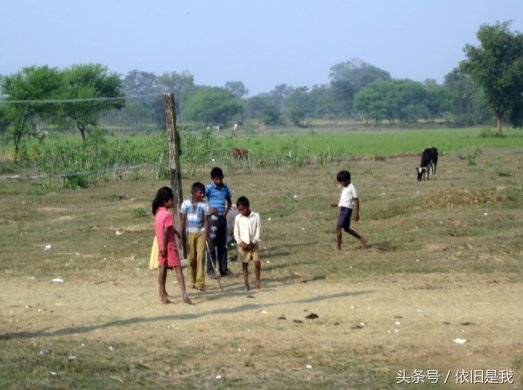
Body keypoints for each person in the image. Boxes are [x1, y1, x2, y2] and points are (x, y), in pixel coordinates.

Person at [152, 186, 192, 304]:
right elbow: (165, 232)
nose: (173, 202)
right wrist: (165, 247)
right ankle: (184, 295)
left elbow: (165, 229)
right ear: (166, 201)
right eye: (172, 200)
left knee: (162, 269)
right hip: (168, 246)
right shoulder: (168, 215)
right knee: (178, 269)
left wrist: (175, 232)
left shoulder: (158, 213)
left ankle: (162, 293)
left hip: (160, 245)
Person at [205, 167, 234, 277]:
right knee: (211, 245)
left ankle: (224, 269)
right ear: (212, 179)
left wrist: (226, 212)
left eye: (220, 179)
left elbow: (229, 201)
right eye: (216, 179)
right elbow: (202, 199)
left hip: (222, 219)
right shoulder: (208, 188)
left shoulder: (225, 188)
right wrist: (209, 209)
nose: (219, 181)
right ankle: (211, 270)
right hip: (212, 219)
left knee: (223, 245)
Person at [180, 182, 209, 291]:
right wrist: (181, 236)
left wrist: (206, 235)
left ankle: (200, 282)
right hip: (190, 233)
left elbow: (206, 221)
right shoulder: (185, 204)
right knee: (191, 258)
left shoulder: (205, 205)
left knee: (200, 256)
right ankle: (192, 280)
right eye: (200, 192)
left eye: (203, 193)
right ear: (194, 193)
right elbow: (183, 220)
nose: (202, 195)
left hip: (201, 232)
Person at [330, 170, 368, 250]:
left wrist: (357, 213)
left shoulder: (352, 188)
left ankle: (338, 247)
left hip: (346, 210)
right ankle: (362, 239)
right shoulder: (345, 188)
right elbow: (345, 200)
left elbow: (356, 200)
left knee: (338, 228)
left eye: (341, 182)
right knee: (346, 229)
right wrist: (337, 204)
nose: (341, 184)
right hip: (343, 209)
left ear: (347, 180)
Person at [233, 196, 261, 290]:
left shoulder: (256, 216)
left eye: (243, 209)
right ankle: (246, 283)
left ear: (248, 207)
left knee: (257, 263)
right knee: (245, 264)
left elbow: (258, 230)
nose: (241, 211)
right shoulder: (238, 218)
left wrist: (253, 242)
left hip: (253, 244)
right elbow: (236, 232)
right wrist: (240, 243)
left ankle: (257, 280)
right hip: (243, 245)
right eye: (239, 210)